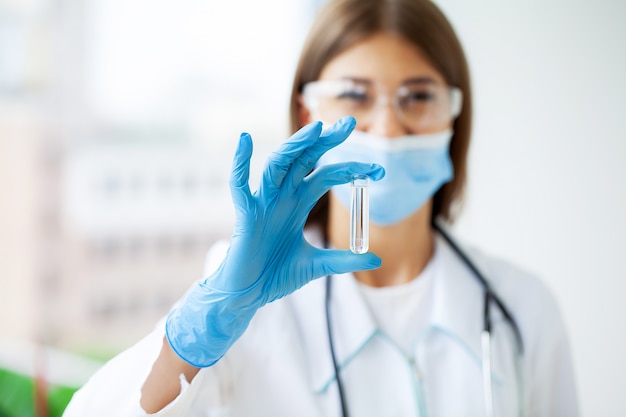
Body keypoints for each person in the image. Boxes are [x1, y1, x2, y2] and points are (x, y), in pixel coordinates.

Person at [63, 0, 579, 416]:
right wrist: (197, 333)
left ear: (453, 116)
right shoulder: (250, 300)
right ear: (307, 112)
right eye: (355, 95)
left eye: (418, 97)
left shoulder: (523, 308)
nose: (387, 127)